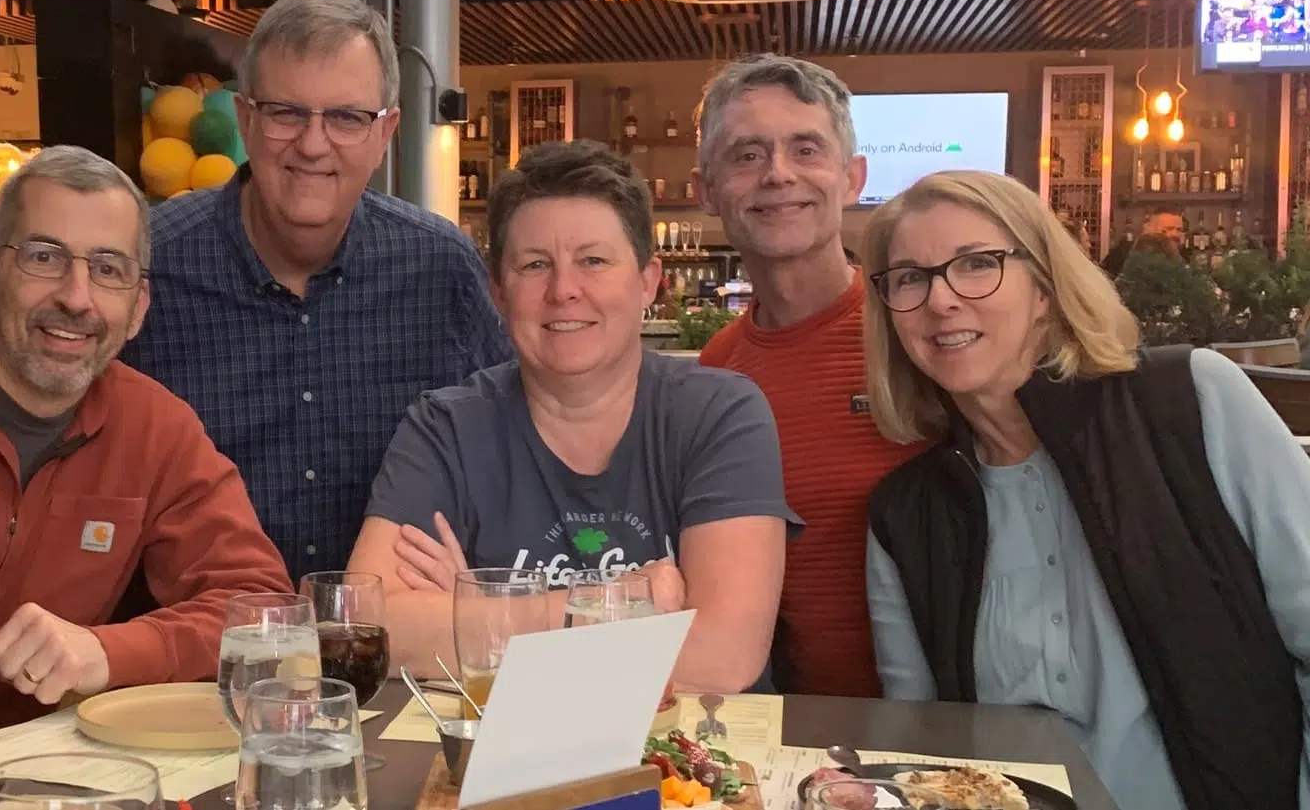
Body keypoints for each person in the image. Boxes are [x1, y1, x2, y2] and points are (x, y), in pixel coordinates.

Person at [861, 170, 1310, 810]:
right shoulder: (905, 515)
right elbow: (921, 751)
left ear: (1043, 286)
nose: (941, 300)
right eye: (910, 277)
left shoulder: (1191, 403)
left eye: (976, 263)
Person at [0, 145, 294, 742]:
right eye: (44, 257)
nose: (76, 298)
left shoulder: (158, 428)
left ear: (138, 310)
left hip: (39, 786)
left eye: (108, 269)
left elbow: (263, 612)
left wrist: (108, 652)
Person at [350, 139, 798, 690]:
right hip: (501, 759)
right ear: (499, 293)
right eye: (535, 264)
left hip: (686, 762)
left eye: (593, 261)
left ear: (647, 282)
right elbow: (370, 628)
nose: (564, 290)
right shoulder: (446, 427)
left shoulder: (719, 414)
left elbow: (719, 658)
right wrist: (619, 605)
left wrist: (474, 611)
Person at [122, 0, 511, 580]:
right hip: (196, 653)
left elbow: (509, 447)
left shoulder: (441, 270)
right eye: (286, 112)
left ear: (385, 134)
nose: (312, 144)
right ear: (246, 119)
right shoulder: (149, 264)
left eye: (347, 118)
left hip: (396, 652)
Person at [691, 54, 922, 698]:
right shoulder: (717, 373)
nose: (778, 174)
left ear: (852, 178)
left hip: (951, 723)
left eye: (806, 149)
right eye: (746, 155)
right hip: (796, 733)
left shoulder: (918, 332)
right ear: (705, 189)